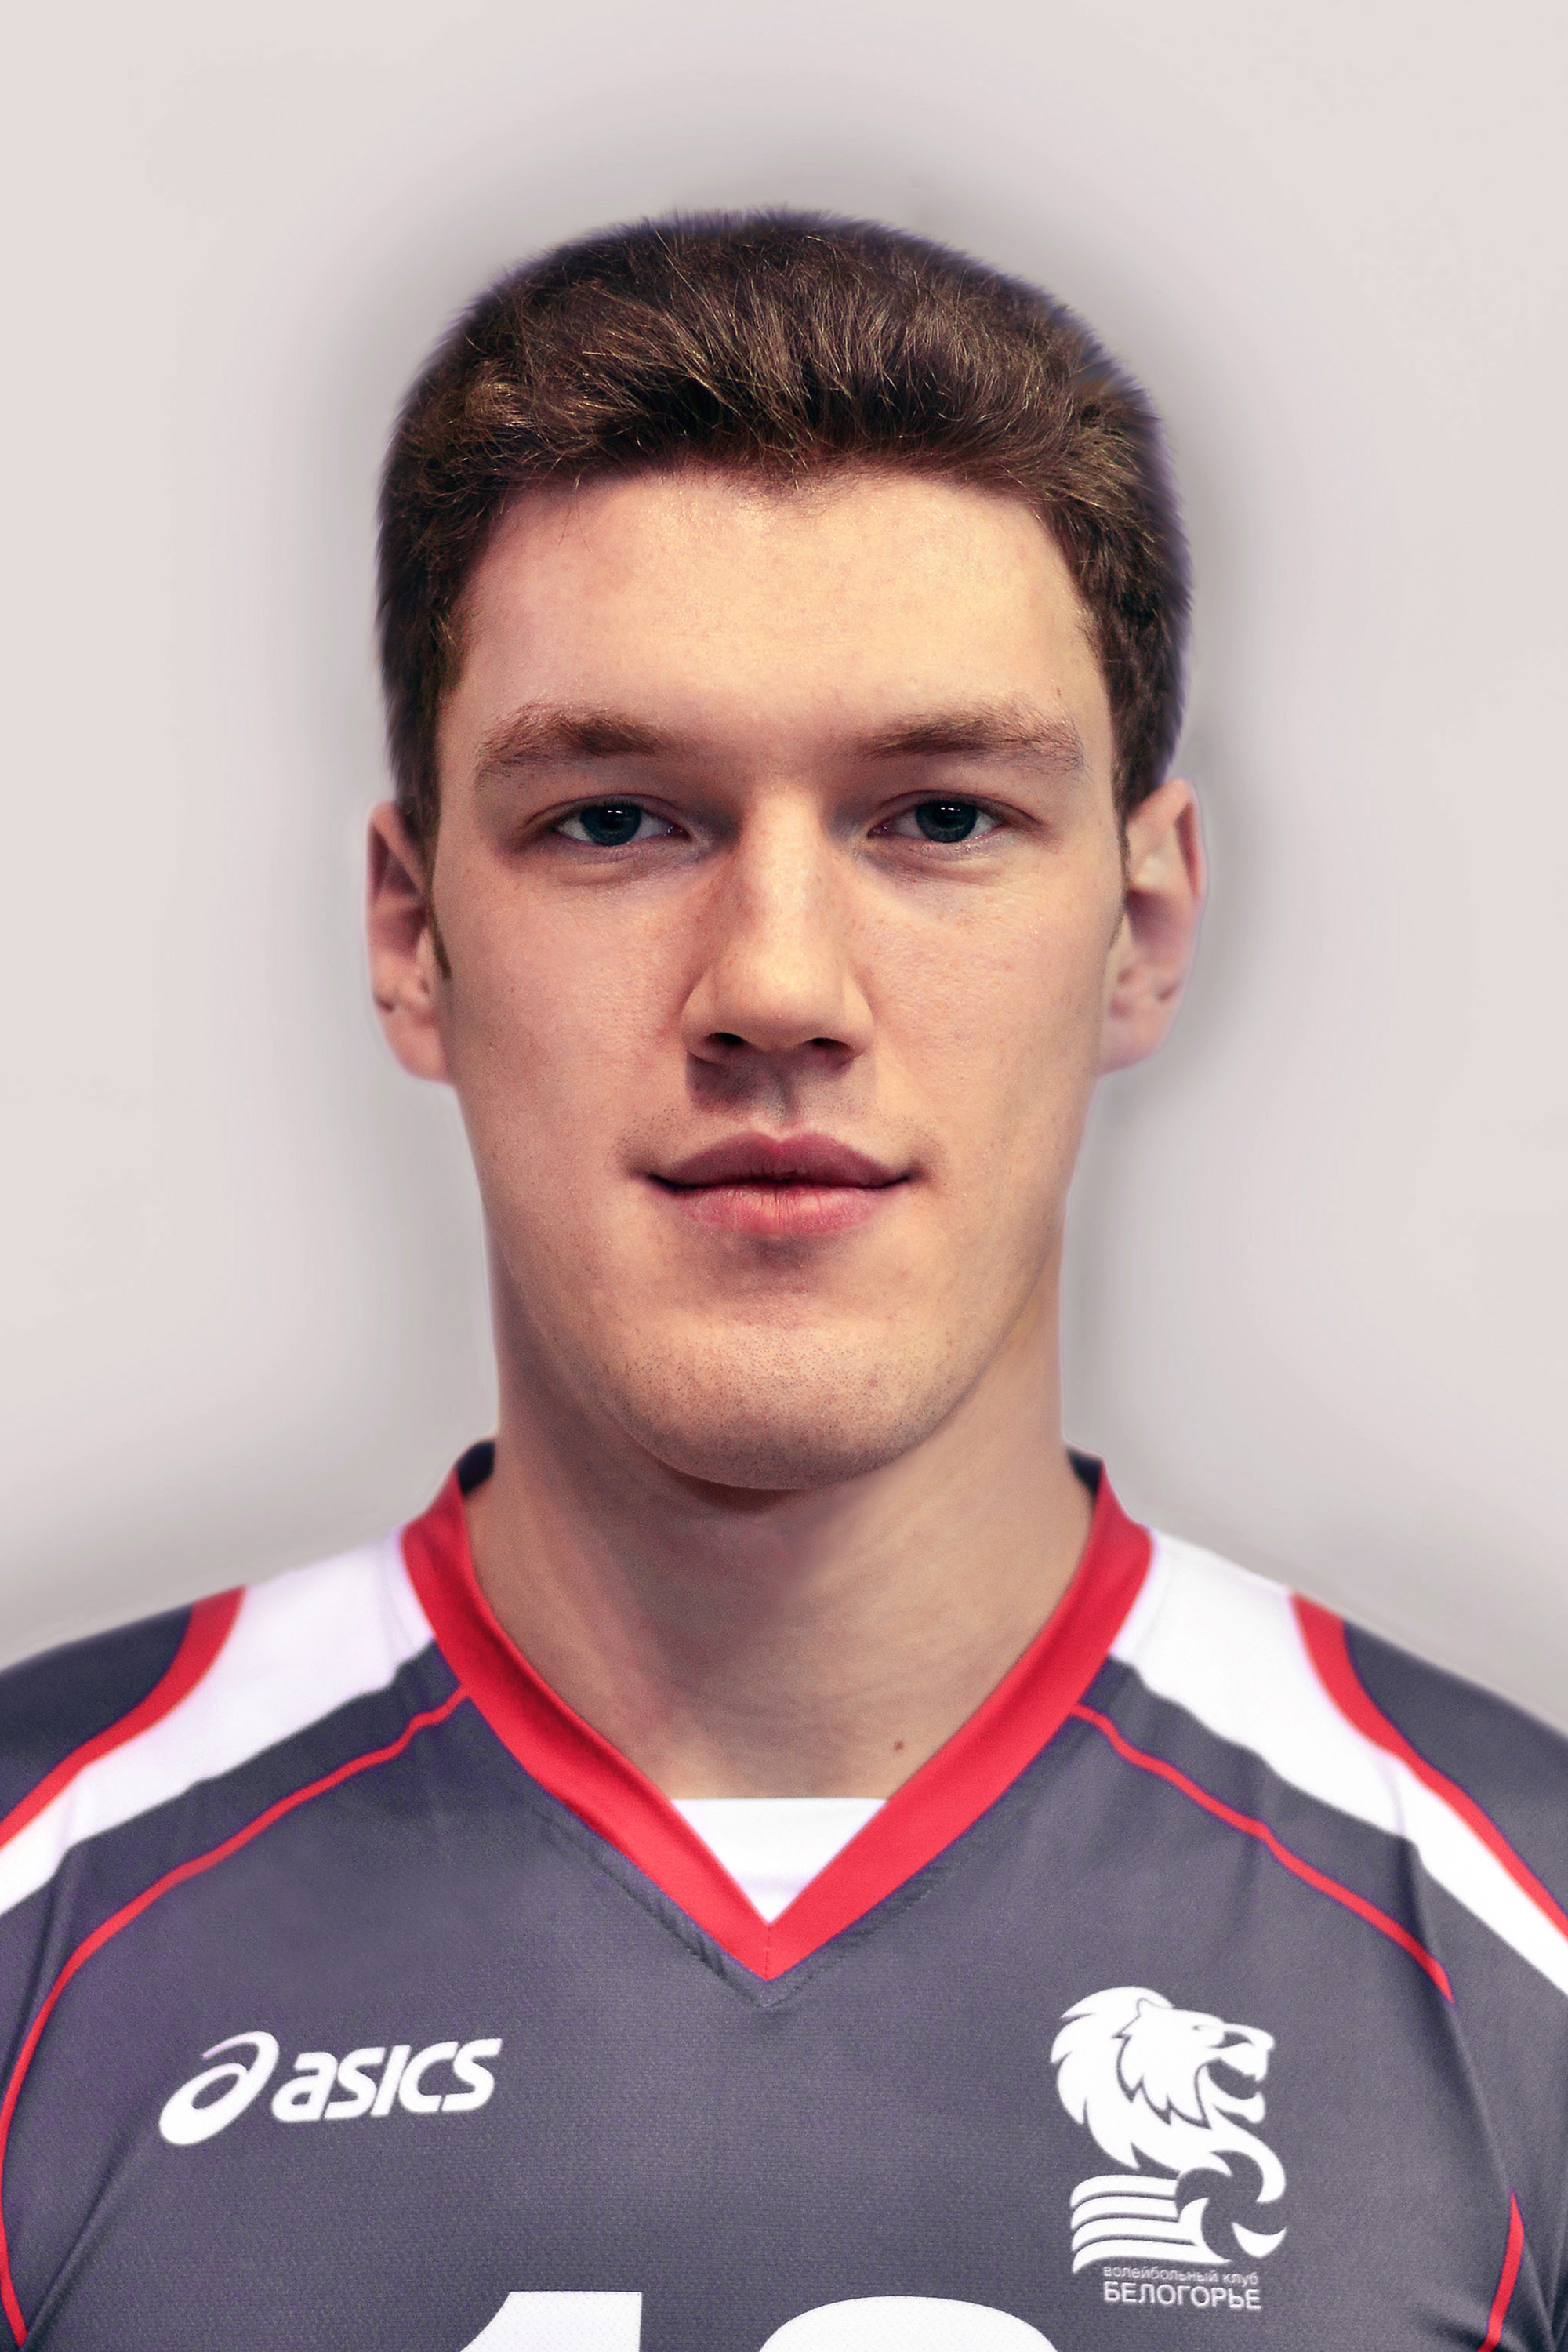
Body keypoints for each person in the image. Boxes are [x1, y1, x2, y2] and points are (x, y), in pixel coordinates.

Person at [1, 212, 1563, 2352]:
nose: (778, 987)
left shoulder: (1523, 1956)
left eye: (941, 817)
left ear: (1141, 928)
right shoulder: (41, 1909)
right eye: (615, 821)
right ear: (411, 933)